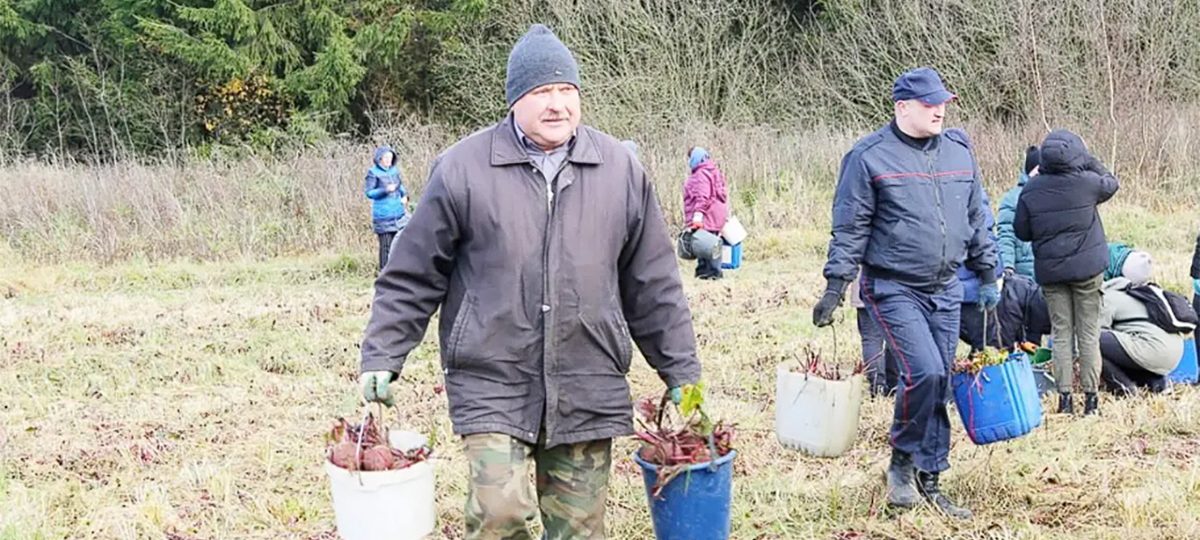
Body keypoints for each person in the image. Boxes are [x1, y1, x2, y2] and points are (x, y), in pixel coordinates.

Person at [357, 24, 701, 540]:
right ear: (516, 99)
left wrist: (681, 370)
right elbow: (410, 276)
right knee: (499, 517)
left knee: (579, 530)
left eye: (567, 91)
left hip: (589, 377)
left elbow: (653, 284)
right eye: (542, 92)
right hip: (493, 376)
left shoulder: (620, 171)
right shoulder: (462, 169)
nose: (557, 104)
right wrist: (383, 355)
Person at [813, 67, 997, 519]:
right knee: (926, 372)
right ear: (902, 107)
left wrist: (989, 271)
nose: (939, 110)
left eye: (943, 103)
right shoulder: (869, 157)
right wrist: (836, 286)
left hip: (946, 287)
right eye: (929, 103)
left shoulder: (958, 150)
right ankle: (900, 461)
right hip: (893, 285)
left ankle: (929, 477)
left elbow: (978, 214)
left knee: (938, 383)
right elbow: (850, 226)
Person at [1014, 129, 1119, 416]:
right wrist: (1089, 160)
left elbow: (1021, 232)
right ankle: (1091, 401)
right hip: (1088, 272)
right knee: (1088, 333)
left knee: (1060, 334)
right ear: (1076, 154)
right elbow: (1112, 182)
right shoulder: (1087, 183)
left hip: (1051, 273)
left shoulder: (1030, 189)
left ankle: (1064, 400)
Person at [1098, 272, 1182, 396]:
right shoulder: (1135, 293)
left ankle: (1123, 387)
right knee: (1123, 349)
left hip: (1152, 349)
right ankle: (1156, 382)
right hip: (1175, 353)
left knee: (1089, 341)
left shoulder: (1106, 298)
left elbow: (1095, 334)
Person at [683, 147, 730, 280]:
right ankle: (708, 273)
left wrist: (698, 214)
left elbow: (703, 196)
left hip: (707, 216)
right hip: (715, 215)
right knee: (710, 243)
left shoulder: (701, 174)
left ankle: (711, 273)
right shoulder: (713, 171)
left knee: (705, 244)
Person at [847, 268, 893, 396]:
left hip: (865, 286)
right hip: (896, 287)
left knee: (871, 339)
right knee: (896, 337)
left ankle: (877, 387)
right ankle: (894, 384)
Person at [997, 145, 1039, 279]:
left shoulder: (1056, 196)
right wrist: (1008, 267)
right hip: (1024, 275)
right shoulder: (1012, 200)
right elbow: (1006, 236)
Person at [363, 145, 408, 270]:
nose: (388, 160)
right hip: (383, 215)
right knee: (386, 247)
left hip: (399, 215)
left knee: (399, 246)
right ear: (379, 158)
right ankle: (384, 273)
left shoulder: (394, 171)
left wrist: (405, 196)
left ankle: (397, 272)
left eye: (390, 157)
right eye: (386, 157)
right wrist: (385, 190)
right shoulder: (373, 172)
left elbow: (400, 187)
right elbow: (369, 193)